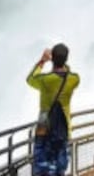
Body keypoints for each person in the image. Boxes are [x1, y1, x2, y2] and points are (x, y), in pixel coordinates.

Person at [27, 44, 80, 176]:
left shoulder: (46, 80)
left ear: (53, 59)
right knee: (60, 169)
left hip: (44, 129)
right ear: (66, 59)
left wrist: (43, 61)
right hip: (64, 129)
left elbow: (30, 79)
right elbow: (67, 71)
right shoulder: (74, 79)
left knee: (42, 168)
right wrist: (60, 61)